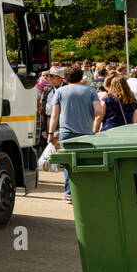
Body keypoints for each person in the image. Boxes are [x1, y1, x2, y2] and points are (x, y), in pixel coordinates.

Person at [48, 65, 102, 203]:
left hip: (66, 132)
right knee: (84, 162)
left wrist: (50, 133)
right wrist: (94, 125)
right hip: (86, 132)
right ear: (81, 77)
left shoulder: (60, 91)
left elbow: (54, 115)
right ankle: (85, 192)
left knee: (68, 164)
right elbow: (98, 111)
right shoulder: (90, 91)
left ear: (66, 78)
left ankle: (69, 194)